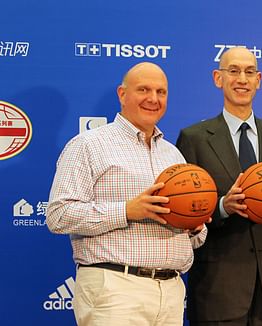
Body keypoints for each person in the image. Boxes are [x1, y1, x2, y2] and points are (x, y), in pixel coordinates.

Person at [46, 62, 207, 326]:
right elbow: (58, 215)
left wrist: (193, 225)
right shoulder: (88, 144)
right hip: (115, 288)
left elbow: (195, 238)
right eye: (143, 89)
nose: (153, 99)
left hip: (171, 291)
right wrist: (127, 211)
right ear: (122, 94)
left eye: (161, 92)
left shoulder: (173, 154)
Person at [176, 47, 262, 326]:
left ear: (259, 79)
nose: (241, 79)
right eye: (233, 71)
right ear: (218, 78)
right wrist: (222, 207)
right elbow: (184, 214)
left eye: (248, 72)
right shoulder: (193, 138)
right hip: (217, 288)